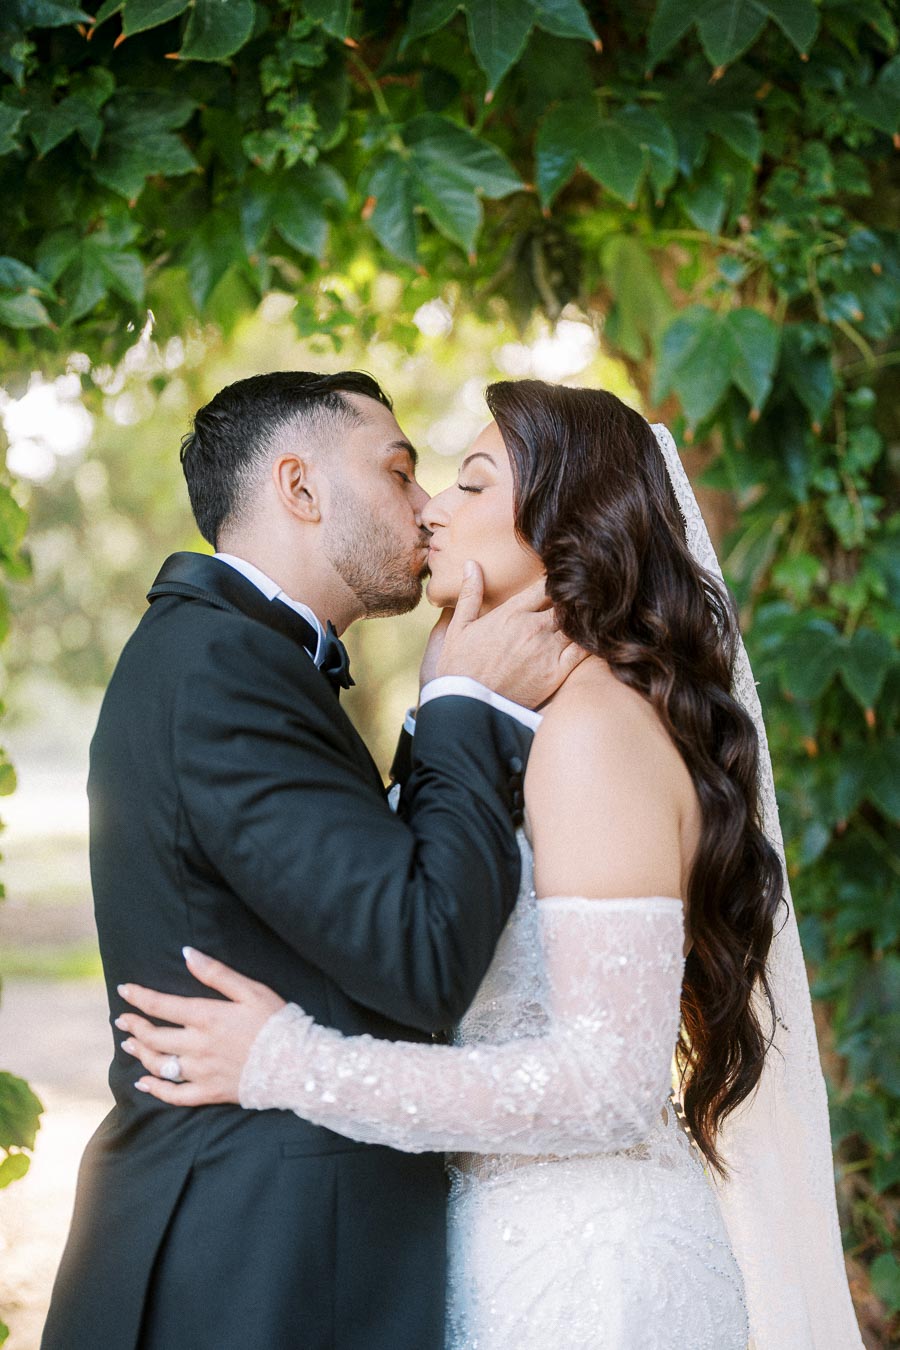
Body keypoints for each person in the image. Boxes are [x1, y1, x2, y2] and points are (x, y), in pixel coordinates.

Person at [119, 380, 865, 1350]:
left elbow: (609, 1087)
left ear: (569, 522)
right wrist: (454, 700)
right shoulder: (527, 724)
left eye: (471, 484)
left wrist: (291, 1064)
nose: (429, 506)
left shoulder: (595, 732)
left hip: (591, 1277)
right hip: (498, 1255)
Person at [40, 371, 585, 1350]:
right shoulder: (220, 670)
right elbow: (424, 953)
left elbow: (365, 900)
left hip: (280, 1246)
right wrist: (465, 705)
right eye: (401, 470)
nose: (425, 509)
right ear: (300, 487)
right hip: (250, 1268)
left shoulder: (233, 656)